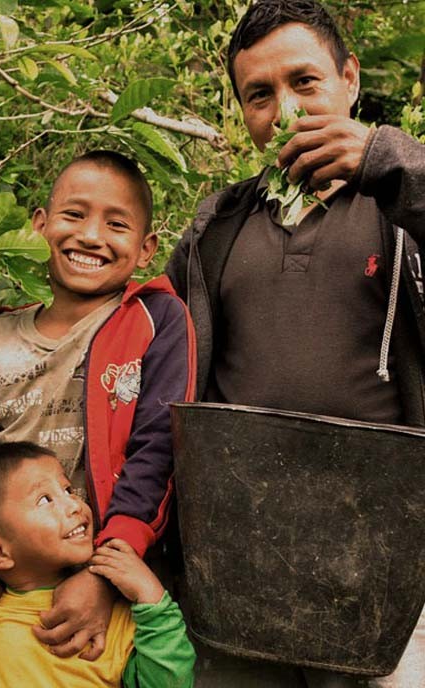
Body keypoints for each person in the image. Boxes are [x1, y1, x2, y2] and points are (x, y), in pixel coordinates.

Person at [165, 1, 425, 687]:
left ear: (349, 79)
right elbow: (154, 344)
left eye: (305, 82)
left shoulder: (401, 205)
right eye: (260, 94)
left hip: (384, 554)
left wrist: (389, 159)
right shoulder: (215, 229)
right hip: (243, 556)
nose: (286, 109)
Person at [0, 149, 197, 660]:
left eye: (116, 224)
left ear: (146, 249)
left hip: (115, 579)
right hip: (3, 585)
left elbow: (160, 451)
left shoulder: (157, 320)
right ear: (39, 225)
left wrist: (104, 579)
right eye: (74, 215)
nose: (91, 236)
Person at [0, 442, 196, 687]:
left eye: (68, 490)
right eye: (45, 499)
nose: (74, 505)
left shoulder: (112, 615)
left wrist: (154, 601)